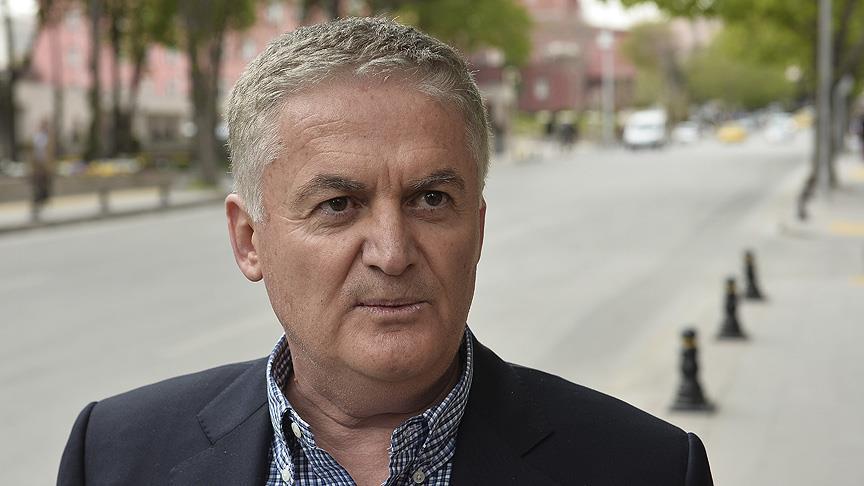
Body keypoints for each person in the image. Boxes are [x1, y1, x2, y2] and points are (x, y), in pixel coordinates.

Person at [57, 18, 713, 485]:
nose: (393, 254)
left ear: (478, 229)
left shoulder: (646, 468)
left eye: (431, 199)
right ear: (249, 240)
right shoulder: (114, 457)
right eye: (338, 205)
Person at [30, 120, 54, 221]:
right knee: (38, 185)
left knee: (45, 184)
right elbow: (33, 153)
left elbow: (50, 153)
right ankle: (37, 205)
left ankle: (41, 203)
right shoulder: (37, 137)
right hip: (38, 165)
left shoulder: (49, 137)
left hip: (45, 166)